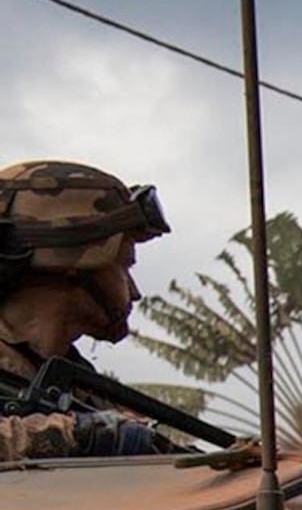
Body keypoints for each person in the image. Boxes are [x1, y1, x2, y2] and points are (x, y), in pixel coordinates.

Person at [0, 161, 189, 459]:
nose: (135, 291)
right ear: (75, 263)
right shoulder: (80, 417)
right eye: (125, 265)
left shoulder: (79, 389)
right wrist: (74, 436)